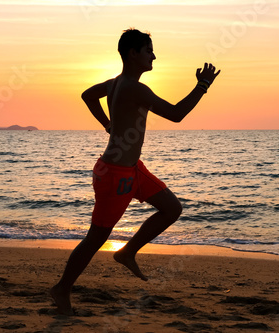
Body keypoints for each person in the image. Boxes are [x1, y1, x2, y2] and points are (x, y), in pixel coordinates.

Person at [51, 28, 220, 315]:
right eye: (148, 50)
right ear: (133, 53)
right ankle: (61, 288)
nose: (154, 55)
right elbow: (177, 114)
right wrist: (202, 85)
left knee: (171, 208)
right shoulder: (133, 88)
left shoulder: (115, 84)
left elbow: (87, 95)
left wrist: (108, 124)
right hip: (114, 174)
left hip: (132, 170)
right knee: (96, 238)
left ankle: (128, 251)